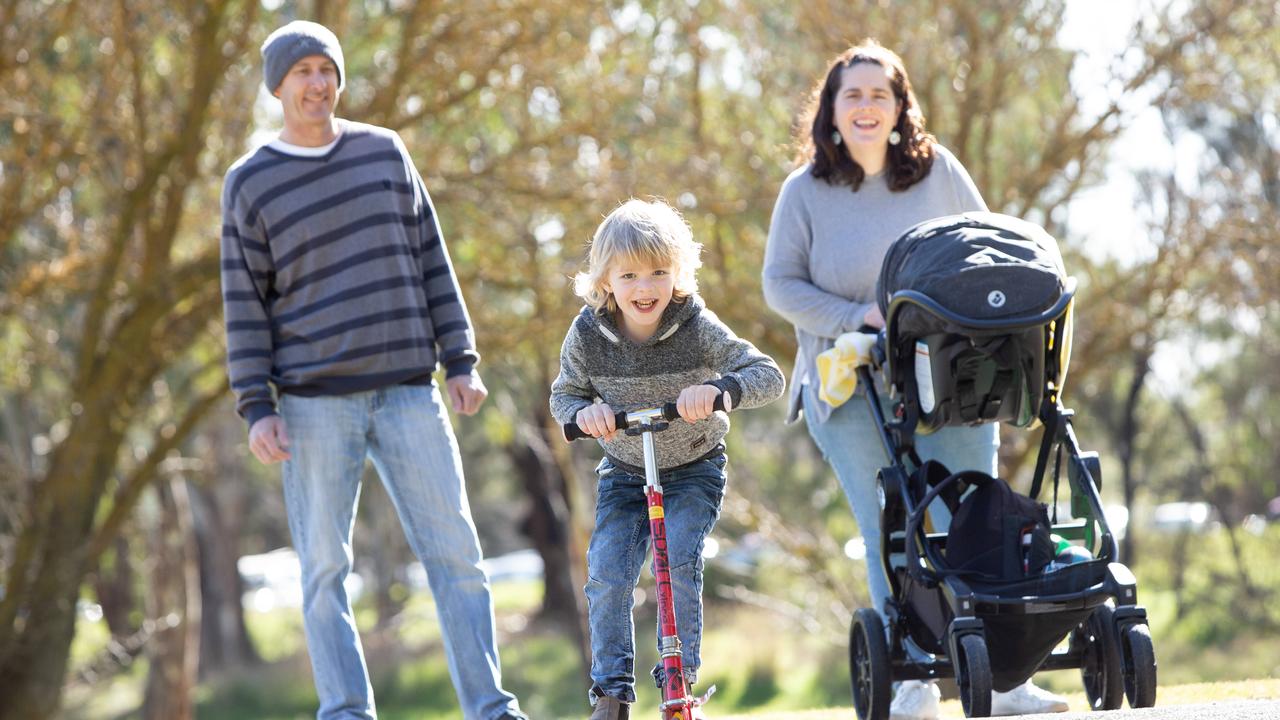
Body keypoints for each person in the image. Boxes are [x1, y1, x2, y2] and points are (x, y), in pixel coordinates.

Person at [219, 20, 525, 720]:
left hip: (409, 392)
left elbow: (432, 260)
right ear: (278, 87)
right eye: (302, 72)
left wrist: (461, 359)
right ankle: (346, 711)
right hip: (311, 403)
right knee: (325, 571)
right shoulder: (250, 182)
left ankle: (491, 707)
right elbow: (243, 303)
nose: (318, 83)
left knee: (459, 559)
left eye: (327, 69)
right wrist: (254, 405)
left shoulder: (385, 152)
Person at [761, 41, 1070, 720]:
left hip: (950, 375)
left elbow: (991, 251)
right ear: (831, 111)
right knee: (890, 527)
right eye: (853, 95)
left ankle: (1005, 675)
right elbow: (778, 284)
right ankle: (911, 679)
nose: (866, 106)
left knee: (972, 512)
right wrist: (856, 316)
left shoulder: (940, 173)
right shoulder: (804, 191)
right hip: (850, 382)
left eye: (880, 94)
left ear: (901, 107)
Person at [551, 199, 784, 720]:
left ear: (678, 272)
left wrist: (720, 391)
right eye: (629, 274)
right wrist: (586, 413)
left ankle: (677, 683)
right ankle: (610, 693)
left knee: (677, 558)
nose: (645, 287)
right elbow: (563, 397)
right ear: (606, 280)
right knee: (608, 571)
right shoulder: (588, 334)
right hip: (625, 471)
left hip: (694, 467)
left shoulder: (696, 324)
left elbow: (767, 374)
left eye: (659, 272)